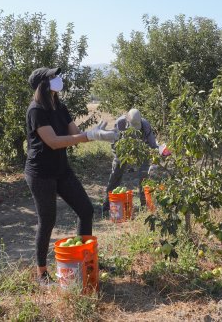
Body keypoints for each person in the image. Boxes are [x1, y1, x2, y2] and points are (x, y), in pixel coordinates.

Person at [25, 66, 117, 286]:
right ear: (43, 84)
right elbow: (54, 142)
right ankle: (41, 274)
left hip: (61, 170)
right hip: (41, 174)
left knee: (86, 209)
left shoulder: (59, 105)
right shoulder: (36, 110)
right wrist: (87, 137)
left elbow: (74, 134)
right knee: (47, 221)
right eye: (53, 77)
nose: (58, 79)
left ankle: (84, 258)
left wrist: (96, 134)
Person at [101, 108, 159, 213]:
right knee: (115, 175)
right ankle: (107, 204)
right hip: (123, 152)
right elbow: (114, 143)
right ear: (127, 120)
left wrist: (156, 156)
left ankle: (144, 205)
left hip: (142, 151)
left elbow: (152, 145)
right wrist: (120, 156)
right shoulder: (120, 123)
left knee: (144, 175)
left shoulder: (145, 125)